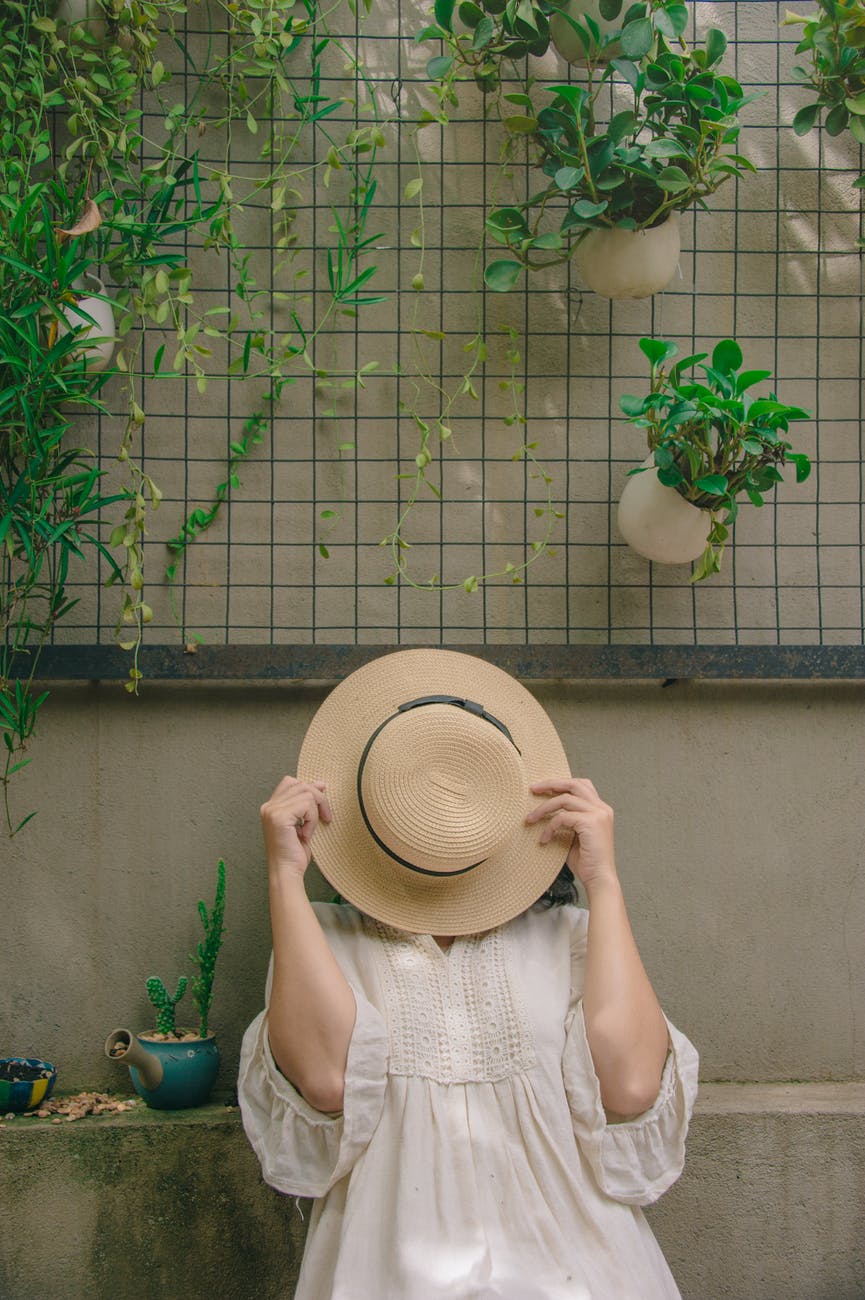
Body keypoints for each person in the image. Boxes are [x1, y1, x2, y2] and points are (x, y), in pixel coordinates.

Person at [239, 649, 698, 1300]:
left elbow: (627, 1087)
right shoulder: (325, 940)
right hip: (391, 1274)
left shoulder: (567, 940)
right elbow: (324, 1080)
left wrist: (604, 881)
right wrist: (284, 876)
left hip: (582, 1270)